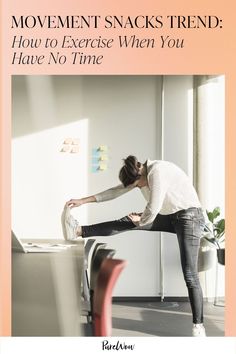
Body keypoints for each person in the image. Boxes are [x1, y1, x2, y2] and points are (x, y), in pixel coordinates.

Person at [64, 155, 206, 337]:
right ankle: (78, 230)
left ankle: (198, 327)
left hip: (190, 218)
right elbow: (114, 192)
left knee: (189, 273)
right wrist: (83, 201)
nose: (138, 187)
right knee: (128, 221)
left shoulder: (157, 172)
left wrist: (142, 220)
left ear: (140, 175)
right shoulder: (140, 174)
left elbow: (153, 208)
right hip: (172, 216)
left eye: (137, 185)